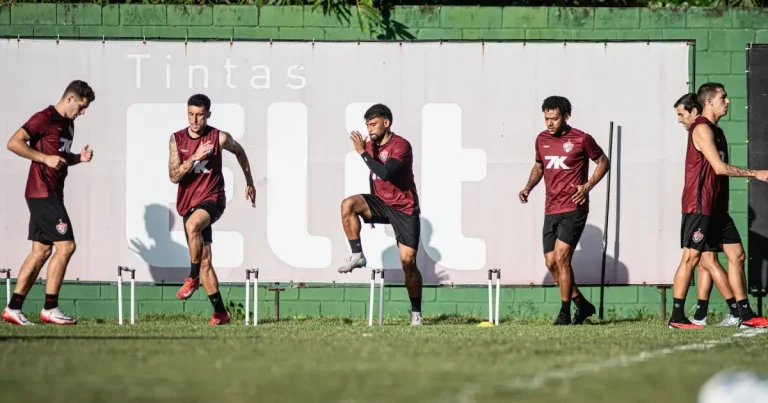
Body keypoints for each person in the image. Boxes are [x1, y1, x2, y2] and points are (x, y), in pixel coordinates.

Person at [669, 87, 768, 329]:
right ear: (710, 102)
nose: (728, 101)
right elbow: (719, 168)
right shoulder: (701, 128)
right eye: (723, 98)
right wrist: (756, 173)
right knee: (691, 258)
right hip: (699, 206)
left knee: (737, 255)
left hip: (717, 209)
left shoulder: (718, 131)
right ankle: (677, 318)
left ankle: (745, 316)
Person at [1, 80, 96, 326]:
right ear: (70, 99)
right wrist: (44, 158)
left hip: (51, 192)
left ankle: (13, 308)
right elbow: (13, 143)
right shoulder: (45, 117)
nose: (83, 112)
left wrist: (78, 158)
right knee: (66, 246)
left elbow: (59, 158)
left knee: (41, 251)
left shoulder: (69, 124)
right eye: (82, 106)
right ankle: (50, 308)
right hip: (42, 193)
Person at [519, 96, 609, 325]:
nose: (550, 123)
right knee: (550, 263)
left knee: (561, 258)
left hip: (574, 207)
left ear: (566, 116)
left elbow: (603, 162)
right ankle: (582, 305)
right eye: (547, 118)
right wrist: (528, 187)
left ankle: (564, 313)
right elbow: (539, 167)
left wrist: (587, 186)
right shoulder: (541, 139)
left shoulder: (581, 139)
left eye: (555, 118)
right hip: (551, 209)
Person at [169, 94, 256, 326]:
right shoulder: (176, 139)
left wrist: (249, 181)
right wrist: (195, 158)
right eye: (191, 114)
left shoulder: (219, 138)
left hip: (213, 199)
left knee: (192, 225)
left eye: (199, 115)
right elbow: (174, 176)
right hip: (188, 202)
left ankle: (192, 277)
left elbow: (239, 151)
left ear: (208, 114)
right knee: (205, 259)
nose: (194, 120)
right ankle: (221, 313)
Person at [337, 104, 424, 326]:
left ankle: (416, 313)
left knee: (408, 262)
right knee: (348, 204)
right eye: (367, 125)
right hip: (381, 203)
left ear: (386, 123)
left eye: (373, 124)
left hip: (404, 208)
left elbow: (385, 173)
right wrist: (370, 211)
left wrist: (362, 152)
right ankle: (357, 255)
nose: (370, 129)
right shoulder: (370, 145)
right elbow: (373, 175)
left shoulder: (400, 145)